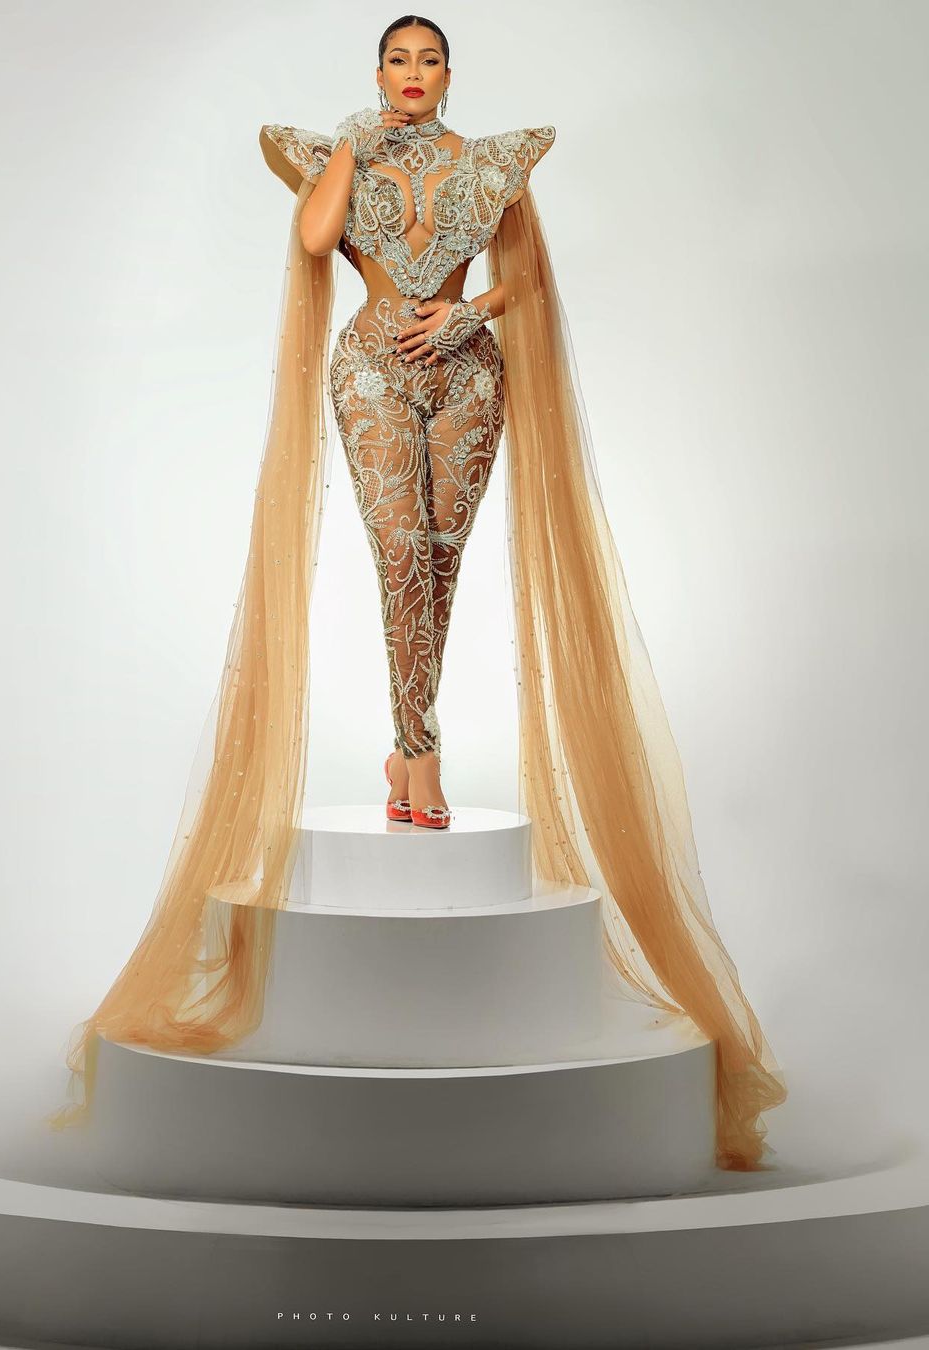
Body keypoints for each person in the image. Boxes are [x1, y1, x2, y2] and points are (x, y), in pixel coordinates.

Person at [52, 14, 788, 1172]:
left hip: (467, 375)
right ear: (377, 74)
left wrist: (468, 312)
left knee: (442, 557)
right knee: (398, 552)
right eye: (396, 60)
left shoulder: (489, 165)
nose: (412, 74)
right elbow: (311, 241)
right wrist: (354, 143)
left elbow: (526, 276)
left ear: (450, 73)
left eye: (427, 59)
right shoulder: (343, 151)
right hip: (370, 374)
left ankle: (404, 757)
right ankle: (422, 750)